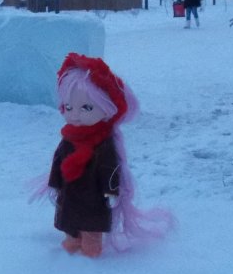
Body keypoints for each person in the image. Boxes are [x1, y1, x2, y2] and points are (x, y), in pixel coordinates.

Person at [47, 52, 173, 258]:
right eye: (69, 107)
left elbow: (110, 168)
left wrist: (111, 191)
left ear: (107, 109)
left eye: (86, 107)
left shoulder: (104, 144)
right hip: (69, 196)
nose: (75, 114)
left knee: (91, 229)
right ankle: (71, 246)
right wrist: (55, 182)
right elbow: (58, 162)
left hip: (93, 199)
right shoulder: (69, 138)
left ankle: (91, 253)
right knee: (70, 227)